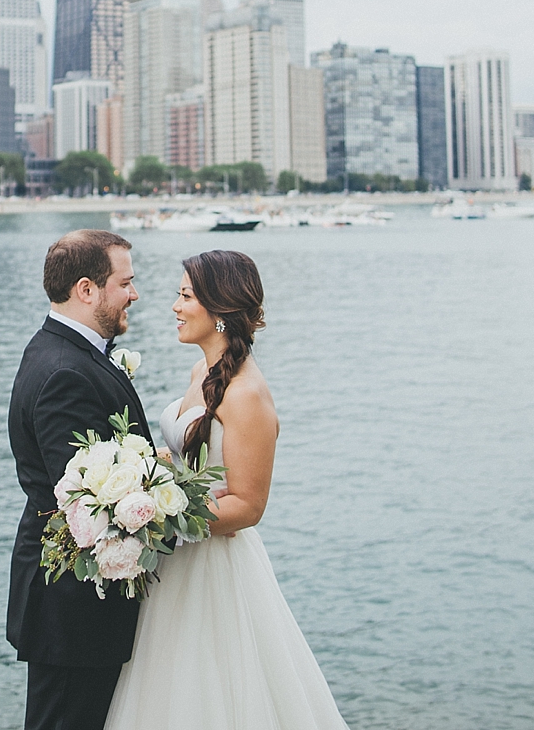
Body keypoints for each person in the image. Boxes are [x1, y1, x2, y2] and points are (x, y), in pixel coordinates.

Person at [104, 249, 349, 730]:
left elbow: (248, 505)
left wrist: (158, 513)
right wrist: (142, 479)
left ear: (220, 312)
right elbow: (188, 461)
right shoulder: (202, 374)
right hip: (177, 564)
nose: (174, 306)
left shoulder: (247, 396)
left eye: (185, 296)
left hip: (216, 568)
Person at [8, 229, 155, 730]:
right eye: (125, 283)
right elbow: (84, 502)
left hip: (74, 605)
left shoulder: (64, 351)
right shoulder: (65, 371)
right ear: (87, 290)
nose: (134, 294)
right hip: (72, 607)